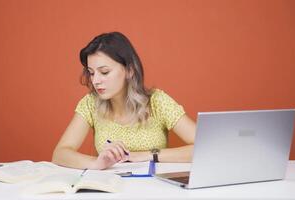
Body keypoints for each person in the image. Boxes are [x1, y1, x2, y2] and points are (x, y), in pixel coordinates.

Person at [52, 32, 196, 170]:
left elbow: (205, 147)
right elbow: (60, 154)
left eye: (104, 72)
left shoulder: (157, 102)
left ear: (130, 70)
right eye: (91, 73)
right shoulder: (90, 104)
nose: (95, 81)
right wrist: (97, 162)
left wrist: (146, 155)